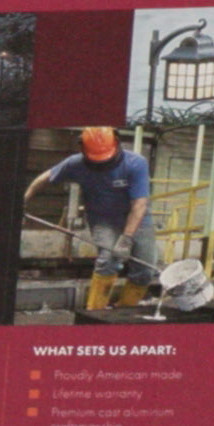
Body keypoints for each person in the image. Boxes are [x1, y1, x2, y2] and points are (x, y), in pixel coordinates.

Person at [27, 127, 155, 306]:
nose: (102, 164)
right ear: (83, 149)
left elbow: (139, 204)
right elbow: (44, 178)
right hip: (103, 220)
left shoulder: (135, 163)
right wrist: (24, 200)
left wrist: (126, 239)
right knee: (108, 260)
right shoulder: (75, 163)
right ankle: (95, 311)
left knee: (145, 269)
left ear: (117, 143)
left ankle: (125, 309)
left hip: (138, 218)